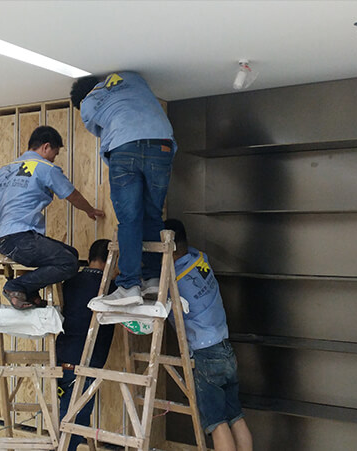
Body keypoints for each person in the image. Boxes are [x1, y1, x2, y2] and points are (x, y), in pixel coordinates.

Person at [70, 71, 176, 306]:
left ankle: (129, 285)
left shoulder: (88, 102)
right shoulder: (132, 78)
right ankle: (153, 279)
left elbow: (103, 131)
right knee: (153, 214)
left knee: (130, 220)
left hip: (125, 147)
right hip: (162, 145)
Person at [0, 125, 104, 309]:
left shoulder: (3, 171)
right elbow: (71, 194)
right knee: (69, 263)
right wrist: (90, 210)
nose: (53, 158)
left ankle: (29, 292)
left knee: (71, 253)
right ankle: (16, 286)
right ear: (46, 146)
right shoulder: (44, 167)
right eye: (54, 154)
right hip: (22, 239)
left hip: (5, 240)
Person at [164, 218, 253, 451]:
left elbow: (162, 306)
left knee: (217, 424)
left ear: (169, 247)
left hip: (205, 355)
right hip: (225, 349)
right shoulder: (200, 259)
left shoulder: (174, 281)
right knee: (235, 416)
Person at [56, 239, 116, 451]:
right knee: (72, 428)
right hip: (84, 363)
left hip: (63, 358)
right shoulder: (109, 288)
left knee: (67, 418)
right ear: (111, 260)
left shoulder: (70, 281)